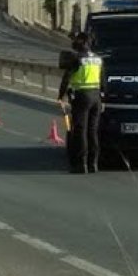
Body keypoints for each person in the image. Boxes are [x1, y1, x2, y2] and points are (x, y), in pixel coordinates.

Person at [57, 32, 104, 174]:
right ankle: (93, 163)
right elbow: (103, 81)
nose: (74, 43)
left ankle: (81, 164)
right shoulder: (98, 59)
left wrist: (61, 96)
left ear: (83, 42)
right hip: (96, 97)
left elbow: (66, 78)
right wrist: (102, 98)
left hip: (82, 97)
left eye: (77, 40)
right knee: (92, 131)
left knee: (80, 131)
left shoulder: (76, 58)